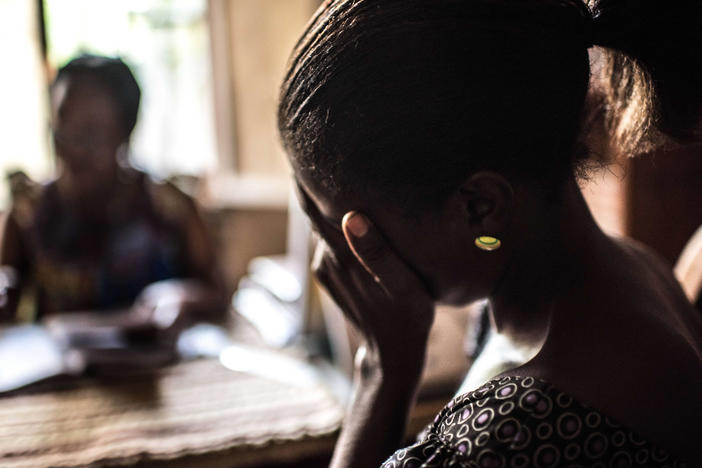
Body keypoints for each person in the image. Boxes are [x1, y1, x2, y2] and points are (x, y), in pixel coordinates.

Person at [278, 0, 702, 466]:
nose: (336, 256)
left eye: (351, 228)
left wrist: (382, 378)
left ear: (480, 208)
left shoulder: (512, 433)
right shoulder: (637, 268)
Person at [0, 55, 227, 341]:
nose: (73, 150)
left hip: (154, 378)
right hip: (62, 377)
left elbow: (217, 291)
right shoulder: (28, 212)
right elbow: (7, 284)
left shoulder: (169, 207)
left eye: (90, 134)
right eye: (62, 131)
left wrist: (179, 296)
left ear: (124, 132)